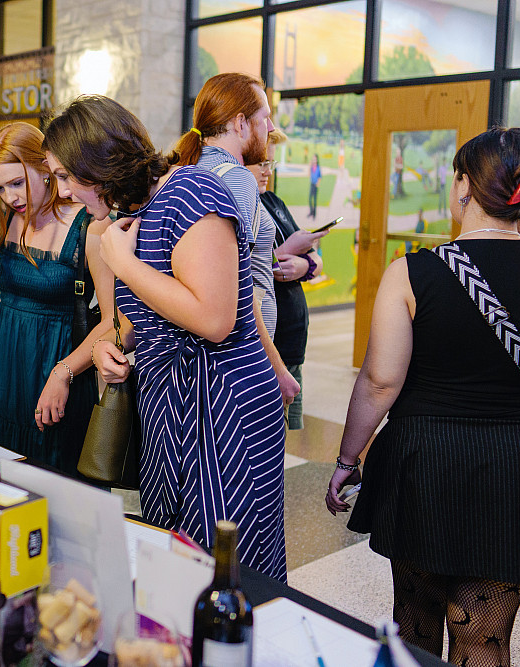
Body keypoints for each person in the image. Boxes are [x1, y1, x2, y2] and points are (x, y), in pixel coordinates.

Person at [48, 95, 287, 581]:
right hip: (167, 405)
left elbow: (214, 318)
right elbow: (142, 315)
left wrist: (123, 263)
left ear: (98, 163)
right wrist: (108, 346)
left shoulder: (191, 191)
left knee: (224, 565)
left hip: (223, 406)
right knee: (173, 563)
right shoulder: (133, 211)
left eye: (66, 175)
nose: (64, 191)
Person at [325, 128, 520, 666]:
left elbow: (380, 381)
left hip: (425, 467)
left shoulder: (412, 273)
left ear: (464, 187)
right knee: (483, 639)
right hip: (515, 473)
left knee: (415, 623)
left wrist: (348, 460)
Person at [0, 121, 113, 476]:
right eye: (0, 187)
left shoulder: (90, 225)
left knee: (48, 476)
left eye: (17, 183)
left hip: (54, 366)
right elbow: (3, 293)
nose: (10, 197)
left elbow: (114, 320)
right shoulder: (10, 218)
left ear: (45, 167)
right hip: (0, 365)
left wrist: (64, 373)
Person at [173, 72, 299, 407]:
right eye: (265, 118)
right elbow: (239, 285)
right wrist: (276, 368)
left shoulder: (186, 170)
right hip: (240, 355)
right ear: (240, 123)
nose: (271, 127)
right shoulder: (237, 179)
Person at [246, 129, 328, 430]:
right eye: (262, 164)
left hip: (292, 344)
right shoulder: (242, 205)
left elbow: (314, 259)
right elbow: (242, 269)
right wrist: (285, 252)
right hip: (268, 345)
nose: (268, 171)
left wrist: (305, 265)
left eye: (271, 163)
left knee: (284, 434)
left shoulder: (273, 201)